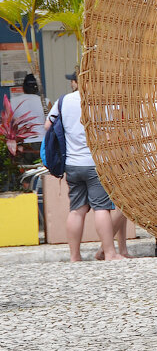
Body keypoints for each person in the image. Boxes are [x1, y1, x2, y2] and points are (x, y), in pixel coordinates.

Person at [46, 71, 126, 262]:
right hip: (94, 164)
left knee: (77, 210)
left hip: (72, 164)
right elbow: (113, 131)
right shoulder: (101, 103)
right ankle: (109, 253)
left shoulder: (63, 101)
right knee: (101, 209)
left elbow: (47, 126)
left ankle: (74, 256)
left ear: (78, 82)